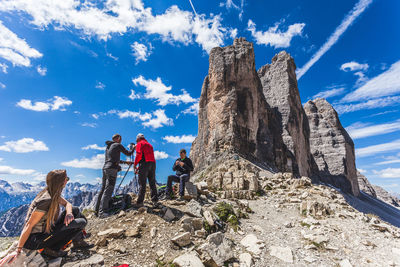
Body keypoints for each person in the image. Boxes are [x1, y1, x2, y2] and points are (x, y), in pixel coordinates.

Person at [0, 170, 91, 264]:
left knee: (75, 210)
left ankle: (77, 242)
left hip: (45, 232)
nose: (67, 181)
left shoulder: (53, 193)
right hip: (35, 240)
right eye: (66, 179)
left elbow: (68, 204)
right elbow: (29, 225)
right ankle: (52, 249)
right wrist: (18, 249)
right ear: (60, 182)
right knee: (81, 223)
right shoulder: (46, 200)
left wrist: (69, 214)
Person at [95, 134, 134, 217]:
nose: (121, 140)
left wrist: (125, 162)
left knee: (103, 189)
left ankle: (97, 210)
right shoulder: (117, 145)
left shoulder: (108, 147)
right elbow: (129, 153)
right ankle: (103, 212)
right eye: (121, 138)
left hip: (105, 168)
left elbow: (112, 159)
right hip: (112, 169)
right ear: (118, 138)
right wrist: (134, 147)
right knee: (109, 189)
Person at [133, 133, 158, 207]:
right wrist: (138, 168)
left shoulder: (139, 144)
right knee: (152, 183)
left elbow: (139, 155)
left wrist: (135, 165)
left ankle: (140, 202)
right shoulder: (150, 145)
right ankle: (155, 200)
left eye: (136, 139)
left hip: (144, 164)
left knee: (142, 184)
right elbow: (147, 158)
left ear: (138, 138)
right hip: (153, 164)